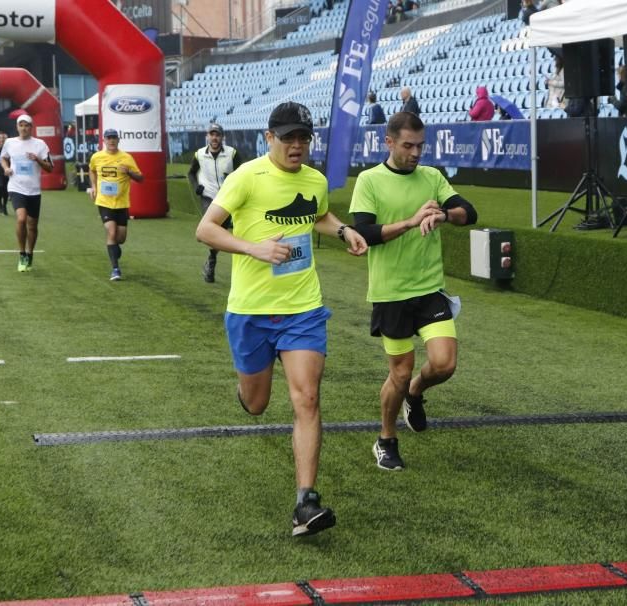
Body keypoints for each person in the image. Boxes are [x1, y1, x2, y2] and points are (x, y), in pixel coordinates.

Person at [195, 102, 367, 537]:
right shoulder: (245, 177)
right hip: (251, 310)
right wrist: (255, 248)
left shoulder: (314, 180)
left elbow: (317, 214)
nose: (297, 145)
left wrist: (343, 231)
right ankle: (247, 387)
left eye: (303, 138)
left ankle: (305, 503)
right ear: (268, 138)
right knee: (257, 404)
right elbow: (206, 229)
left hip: (302, 308)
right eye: (288, 137)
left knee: (307, 398)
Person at [348, 112, 478, 471]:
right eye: (408, 146)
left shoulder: (432, 177)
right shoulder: (369, 180)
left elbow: (469, 211)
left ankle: (416, 393)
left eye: (420, 145)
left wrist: (443, 217)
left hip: (429, 288)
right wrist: (410, 221)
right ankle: (386, 439)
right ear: (388, 143)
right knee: (399, 373)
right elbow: (366, 233)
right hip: (390, 293)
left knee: (444, 364)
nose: (416, 152)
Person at [188, 123, 242, 283]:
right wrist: (196, 186)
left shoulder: (232, 153)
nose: (214, 138)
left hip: (227, 197)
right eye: (212, 134)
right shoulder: (199, 154)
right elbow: (191, 173)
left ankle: (211, 258)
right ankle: (211, 264)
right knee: (213, 228)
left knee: (221, 230)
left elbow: (242, 172)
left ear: (222, 137)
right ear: (207, 137)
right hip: (208, 196)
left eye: (217, 135)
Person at [88, 128, 144, 281]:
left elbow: (141, 178)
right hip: (104, 202)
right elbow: (92, 170)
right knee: (111, 232)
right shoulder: (97, 157)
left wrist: (129, 172)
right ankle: (115, 269)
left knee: (120, 238)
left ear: (118, 140)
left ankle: (114, 248)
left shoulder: (126, 158)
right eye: (108, 138)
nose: (111, 141)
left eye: (114, 138)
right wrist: (94, 186)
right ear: (104, 140)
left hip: (121, 202)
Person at [1, 115, 52, 273]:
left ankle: (30, 253)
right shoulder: (10, 142)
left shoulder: (40, 144)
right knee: (21, 219)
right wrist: (6, 168)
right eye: (21, 125)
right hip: (16, 188)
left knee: (33, 226)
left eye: (27, 125)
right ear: (17, 127)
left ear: (32, 127)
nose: (24, 128)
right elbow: (3, 157)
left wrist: (37, 160)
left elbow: (50, 167)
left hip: (34, 190)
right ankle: (22, 253)